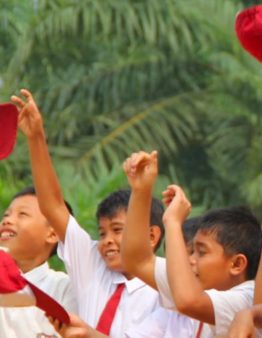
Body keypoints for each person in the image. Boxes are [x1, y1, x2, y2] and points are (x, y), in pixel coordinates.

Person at [11, 89, 164, 336]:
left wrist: (142, 190)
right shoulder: (92, 262)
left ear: (151, 235)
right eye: (102, 233)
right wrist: (36, 137)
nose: (107, 242)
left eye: (117, 230)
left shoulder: (167, 286)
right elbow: (52, 206)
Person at [120, 150, 262, 338]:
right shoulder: (199, 287)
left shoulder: (249, 298)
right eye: (192, 251)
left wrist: (172, 222)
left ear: (236, 264)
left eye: (201, 252)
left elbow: (188, 301)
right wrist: (141, 190)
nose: (190, 261)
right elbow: (137, 261)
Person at [0, 187, 76, 337]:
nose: (7, 220)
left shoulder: (64, 288)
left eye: (22, 214)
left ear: (52, 233)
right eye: (6, 214)